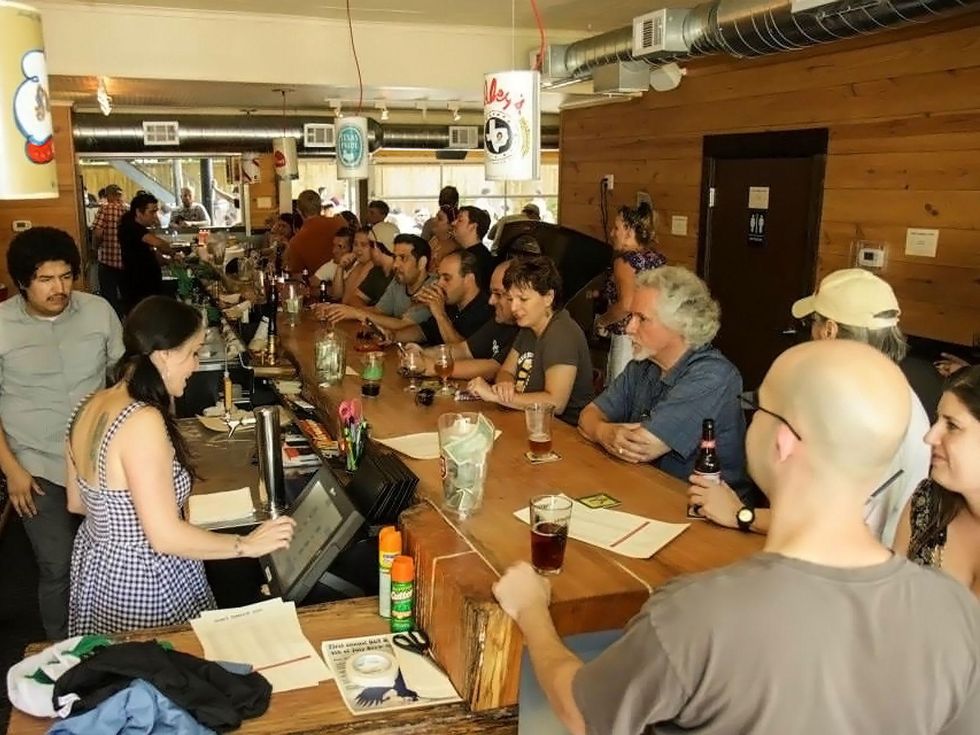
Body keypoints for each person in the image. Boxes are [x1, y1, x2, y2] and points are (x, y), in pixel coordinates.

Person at [494, 340, 980, 735]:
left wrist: (532, 611)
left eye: (757, 407)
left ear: (783, 441)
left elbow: (583, 714)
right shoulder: (958, 614)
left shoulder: (695, 614)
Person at [66, 297, 296, 635]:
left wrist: (124, 528)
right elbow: (163, 537)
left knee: (119, 665)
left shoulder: (89, 404)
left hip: (101, 572)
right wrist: (246, 545)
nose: (196, 365)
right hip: (147, 582)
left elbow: (77, 502)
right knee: (165, 663)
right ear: (164, 355)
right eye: (193, 353)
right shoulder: (141, 420)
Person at [690, 269, 931, 544]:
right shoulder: (893, 393)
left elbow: (831, 522)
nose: (810, 334)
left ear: (829, 331)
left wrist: (740, 514)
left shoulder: (859, 411)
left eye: (812, 323)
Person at [0, 227, 124, 639]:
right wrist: (13, 472)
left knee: (112, 556)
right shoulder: (2, 325)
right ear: (22, 282)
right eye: (46, 279)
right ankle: (62, 653)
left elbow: (124, 375)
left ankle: (114, 645)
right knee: (57, 564)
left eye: (67, 276)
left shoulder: (98, 311)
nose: (60, 288)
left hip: (98, 459)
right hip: (36, 467)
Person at [579, 266, 745, 483]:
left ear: (679, 325)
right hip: (646, 485)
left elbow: (640, 447)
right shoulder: (643, 365)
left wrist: (604, 431)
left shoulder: (713, 376)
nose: (629, 328)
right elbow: (587, 415)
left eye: (641, 318)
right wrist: (604, 432)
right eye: (630, 316)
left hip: (693, 501)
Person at [468, 257, 594, 424]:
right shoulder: (529, 327)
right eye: (511, 299)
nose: (514, 308)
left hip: (561, 429)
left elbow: (556, 403)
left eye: (523, 299)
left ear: (548, 297)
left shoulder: (562, 334)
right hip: (526, 419)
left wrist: (495, 396)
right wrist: (505, 385)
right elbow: (505, 371)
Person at [894, 365, 980, 597]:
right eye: (937, 420)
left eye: (952, 425)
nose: (929, 437)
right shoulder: (928, 503)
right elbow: (891, 602)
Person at [414, 259, 520, 380]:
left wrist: (432, 366)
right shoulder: (500, 320)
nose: (491, 301)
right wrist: (420, 354)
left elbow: (493, 368)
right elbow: (464, 350)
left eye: (498, 294)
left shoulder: (523, 329)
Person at [596, 202, 666, 384]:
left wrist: (602, 321)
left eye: (616, 228)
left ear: (628, 231)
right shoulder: (656, 259)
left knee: (621, 386)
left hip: (628, 336)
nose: (612, 233)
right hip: (652, 334)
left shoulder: (625, 262)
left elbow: (626, 305)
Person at [319, 234, 434, 331]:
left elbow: (404, 325)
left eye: (403, 258)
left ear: (422, 263)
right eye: (395, 258)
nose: (395, 264)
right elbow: (378, 311)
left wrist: (356, 313)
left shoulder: (432, 287)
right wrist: (336, 310)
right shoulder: (399, 281)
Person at [393, 249, 491, 346]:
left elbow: (464, 351)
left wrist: (440, 315)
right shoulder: (451, 304)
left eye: (446, 279)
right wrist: (392, 336)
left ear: (469, 279)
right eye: (439, 277)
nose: (439, 283)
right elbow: (424, 331)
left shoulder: (488, 311)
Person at [118, 191, 173, 314]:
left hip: (147, 284)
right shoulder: (131, 227)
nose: (155, 216)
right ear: (138, 212)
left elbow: (151, 252)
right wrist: (173, 253)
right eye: (152, 212)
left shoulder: (139, 227)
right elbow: (159, 243)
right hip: (138, 286)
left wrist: (168, 261)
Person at [284, 189, 343, 275]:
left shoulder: (296, 241)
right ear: (321, 208)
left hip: (317, 282)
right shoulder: (341, 223)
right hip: (348, 280)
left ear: (299, 211)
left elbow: (296, 276)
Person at [90, 183, 127, 316]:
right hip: (126, 261)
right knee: (126, 295)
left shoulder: (104, 209)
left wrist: (95, 247)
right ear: (119, 195)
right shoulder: (127, 210)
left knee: (109, 297)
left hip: (108, 260)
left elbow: (98, 233)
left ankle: (114, 321)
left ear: (108, 195)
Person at [331, 227, 391, 307]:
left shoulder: (372, 266)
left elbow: (348, 300)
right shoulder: (358, 265)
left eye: (363, 245)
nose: (358, 249)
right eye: (355, 244)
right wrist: (340, 267)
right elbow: (337, 295)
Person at [453, 205, 495, 289]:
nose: (453, 223)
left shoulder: (477, 260)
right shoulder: (479, 254)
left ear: (473, 226)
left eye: (460, 220)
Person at [311, 227, 354, 292]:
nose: (334, 251)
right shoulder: (332, 265)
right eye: (334, 245)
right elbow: (311, 285)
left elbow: (347, 292)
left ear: (352, 250)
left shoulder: (360, 266)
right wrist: (331, 290)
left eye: (340, 246)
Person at [428, 204, 460, 273]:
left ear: (450, 225)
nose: (434, 220)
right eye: (435, 217)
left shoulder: (453, 247)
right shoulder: (434, 239)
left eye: (439, 219)